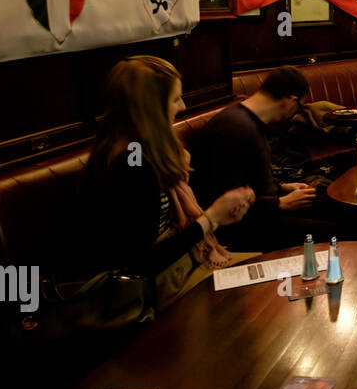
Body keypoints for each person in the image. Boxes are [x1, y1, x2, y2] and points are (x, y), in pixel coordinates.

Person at [78, 56, 254, 310]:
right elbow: (139, 263)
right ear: (151, 108)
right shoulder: (131, 164)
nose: (182, 105)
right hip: (144, 290)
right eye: (174, 99)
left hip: (179, 267)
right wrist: (212, 218)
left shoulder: (144, 150)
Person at [188, 66, 329, 252]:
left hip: (263, 210)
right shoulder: (236, 129)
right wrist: (280, 203)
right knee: (338, 231)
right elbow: (226, 200)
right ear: (290, 101)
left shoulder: (243, 120)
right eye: (299, 107)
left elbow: (246, 181)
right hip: (241, 229)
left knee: (334, 206)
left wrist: (283, 189)